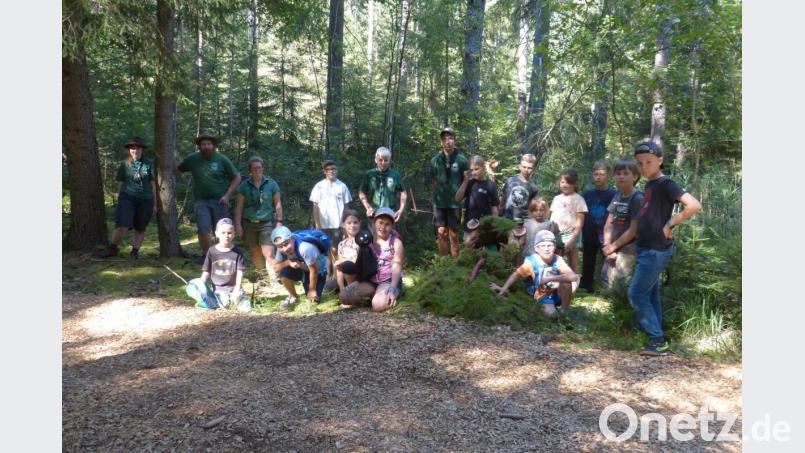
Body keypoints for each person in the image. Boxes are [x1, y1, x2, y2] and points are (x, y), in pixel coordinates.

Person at [629, 141, 701, 356]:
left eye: (649, 162)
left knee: (636, 294)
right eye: (640, 163)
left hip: (656, 249)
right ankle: (657, 338)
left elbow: (694, 205)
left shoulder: (665, 184)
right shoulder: (650, 185)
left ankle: (657, 341)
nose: (644, 167)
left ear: (660, 160)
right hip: (646, 248)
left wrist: (670, 224)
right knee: (650, 295)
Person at [175, 132, 242, 264]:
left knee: (223, 230)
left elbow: (237, 177)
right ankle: (208, 256)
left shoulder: (222, 159)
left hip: (220, 201)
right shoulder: (193, 159)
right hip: (202, 201)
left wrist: (227, 196)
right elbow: (177, 171)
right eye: (203, 144)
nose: (206, 146)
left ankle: (224, 255)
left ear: (214, 145)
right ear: (199, 146)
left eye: (209, 144)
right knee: (203, 228)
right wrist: (171, 158)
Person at [490, 230, 578, 318]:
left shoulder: (558, 259)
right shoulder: (531, 261)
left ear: (554, 246)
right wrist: (503, 288)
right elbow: (516, 274)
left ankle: (564, 310)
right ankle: (553, 308)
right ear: (536, 248)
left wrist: (550, 278)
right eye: (542, 246)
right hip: (543, 294)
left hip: (558, 292)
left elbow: (573, 277)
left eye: (550, 245)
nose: (546, 249)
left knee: (568, 281)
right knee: (551, 315)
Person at [339, 207, 404, 312]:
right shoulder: (367, 240)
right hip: (371, 282)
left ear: (392, 226)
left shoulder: (396, 243)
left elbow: (397, 266)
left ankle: (391, 293)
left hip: (387, 281)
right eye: (380, 223)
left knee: (378, 306)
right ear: (375, 223)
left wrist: (392, 288)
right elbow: (360, 263)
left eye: (387, 224)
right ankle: (374, 294)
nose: (383, 227)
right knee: (344, 297)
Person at [101, 137, 157, 259]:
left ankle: (135, 252)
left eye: (137, 148)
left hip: (146, 199)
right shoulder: (124, 164)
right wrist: (119, 200)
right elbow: (120, 184)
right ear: (129, 150)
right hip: (127, 198)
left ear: (142, 149)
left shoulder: (149, 163)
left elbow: (153, 185)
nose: (135, 150)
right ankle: (112, 248)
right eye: (132, 148)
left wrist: (155, 204)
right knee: (123, 225)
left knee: (140, 227)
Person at [234, 156, 283, 283]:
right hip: (248, 223)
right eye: (254, 168)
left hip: (266, 222)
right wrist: (238, 225)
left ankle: (274, 278)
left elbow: (278, 204)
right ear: (250, 170)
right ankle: (262, 277)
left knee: (269, 251)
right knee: (255, 251)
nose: (257, 170)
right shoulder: (244, 186)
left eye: (259, 167)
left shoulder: (271, 184)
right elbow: (239, 206)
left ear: (263, 168)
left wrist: (279, 222)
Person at [185, 218, 249, 311]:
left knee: (246, 308)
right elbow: (207, 270)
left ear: (234, 234)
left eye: (229, 233)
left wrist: (237, 288)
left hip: (234, 289)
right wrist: (201, 283)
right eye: (223, 233)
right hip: (219, 290)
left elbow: (240, 272)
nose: (226, 235)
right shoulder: (212, 251)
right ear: (217, 234)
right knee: (224, 304)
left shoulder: (237, 252)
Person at [601, 159, 643, 289]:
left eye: (625, 173)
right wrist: (607, 245)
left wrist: (612, 247)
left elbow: (633, 230)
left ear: (635, 176)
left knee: (620, 286)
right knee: (606, 282)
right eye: (618, 173)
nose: (621, 176)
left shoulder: (638, 198)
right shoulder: (617, 196)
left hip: (628, 249)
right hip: (612, 246)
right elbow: (609, 222)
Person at [428, 126, 469, 258]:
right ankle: (443, 265)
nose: (448, 141)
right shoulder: (435, 160)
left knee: (454, 234)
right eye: (445, 139)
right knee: (441, 233)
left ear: (454, 140)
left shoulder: (462, 160)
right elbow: (432, 180)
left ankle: (455, 265)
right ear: (441, 142)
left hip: (455, 204)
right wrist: (440, 193)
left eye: (450, 138)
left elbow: (466, 181)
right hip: (439, 203)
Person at [310, 159, 353, 283]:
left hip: (338, 225)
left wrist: (346, 224)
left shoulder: (342, 186)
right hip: (323, 225)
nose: (332, 171)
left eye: (334, 169)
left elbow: (346, 207)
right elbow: (315, 206)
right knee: (324, 251)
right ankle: (327, 275)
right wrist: (317, 224)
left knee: (336, 249)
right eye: (328, 169)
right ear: (324, 171)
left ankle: (337, 275)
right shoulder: (319, 186)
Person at [580, 161, 617, 293]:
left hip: (605, 234)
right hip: (589, 231)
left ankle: (609, 288)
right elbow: (581, 214)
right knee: (588, 259)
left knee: (608, 260)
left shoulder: (613, 194)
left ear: (608, 176)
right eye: (596, 174)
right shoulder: (588, 194)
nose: (598, 177)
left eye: (602, 174)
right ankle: (586, 285)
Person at [271, 226, 328, 309]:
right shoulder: (281, 250)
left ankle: (323, 285)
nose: (285, 249)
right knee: (284, 274)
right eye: (280, 246)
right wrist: (288, 262)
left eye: (286, 244)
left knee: (313, 301)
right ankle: (293, 296)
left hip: (318, 269)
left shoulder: (304, 248)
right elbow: (275, 268)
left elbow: (314, 269)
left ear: (293, 238)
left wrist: (312, 290)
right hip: (303, 267)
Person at [549, 168, 587, 273]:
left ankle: (573, 287)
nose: (565, 185)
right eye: (562, 182)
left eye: (569, 182)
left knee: (573, 264)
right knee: (555, 262)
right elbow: (551, 218)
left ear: (575, 184)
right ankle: (556, 287)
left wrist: (572, 241)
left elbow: (580, 223)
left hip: (572, 235)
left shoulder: (579, 199)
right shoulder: (556, 198)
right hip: (557, 235)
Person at [455, 155, 500, 241]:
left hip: (485, 226)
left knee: (484, 252)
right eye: (472, 170)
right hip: (469, 226)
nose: (474, 172)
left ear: (483, 168)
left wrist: (495, 224)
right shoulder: (469, 183)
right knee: (469, 251)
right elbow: (457, 198)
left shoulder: (491, 185)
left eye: (477, 169)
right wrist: (465, 181)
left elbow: (494, 207)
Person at [358, 146, 407, 222]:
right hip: (373, 214)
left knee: (390, 234)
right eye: (380, 160)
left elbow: (403, 193)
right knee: (374, 233)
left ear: (390, 161)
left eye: (386, 160)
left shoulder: (395, 175)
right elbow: (362, 192)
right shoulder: (369, 175)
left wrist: (400, 210)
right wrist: (368, 207)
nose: (383, 163)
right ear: (375, 160)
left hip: (390, 214)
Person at [501, 153, 539, 224]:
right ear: (520, 166)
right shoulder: (510, 180)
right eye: (524, 167)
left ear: (533, 169)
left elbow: (533, 207)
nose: (526, 170)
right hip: (505, 219)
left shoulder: (533, 187)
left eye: (529, 168)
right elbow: (503, 198)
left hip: (522, 223)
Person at [333, 209, 361, 294]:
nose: (352, 225)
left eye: (355, 222)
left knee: (347, 265)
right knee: (328, 286)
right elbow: (339, 266)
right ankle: (343, 290)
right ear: (344, 225)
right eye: (349, 223)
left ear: (360, 223)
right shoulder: (341, 244)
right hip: (344, 274)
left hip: (358, 274)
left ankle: (351, 293)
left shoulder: (363, 241)